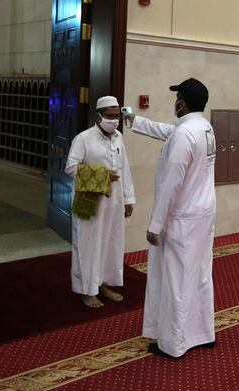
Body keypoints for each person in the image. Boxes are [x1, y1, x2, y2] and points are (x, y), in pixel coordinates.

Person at [128, 78, 217, 359]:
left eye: (176, 97)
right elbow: (170, 132)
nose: (174, 102)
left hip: (181, 218)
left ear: (181, 103)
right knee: (199, 275)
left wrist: (155, 224)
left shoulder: (184, 134)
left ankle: (172, 343)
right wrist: (135, 120)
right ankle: (203, 333)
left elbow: (171, 184)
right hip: (202, 215)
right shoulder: (204, 127)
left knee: (175, 280)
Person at [65, 96, 135, 308]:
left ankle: (103, 284)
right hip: (90, 202)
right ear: (99, 116)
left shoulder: (118, 137)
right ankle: (87, 291)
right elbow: (70, 168)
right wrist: (102, 175)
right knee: (88, 246)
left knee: (109, 244)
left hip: (113, 202)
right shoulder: (83, 139)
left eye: (117, 116)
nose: (114, 120)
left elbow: (125, 168)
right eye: (110, 116)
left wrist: (128, 199)